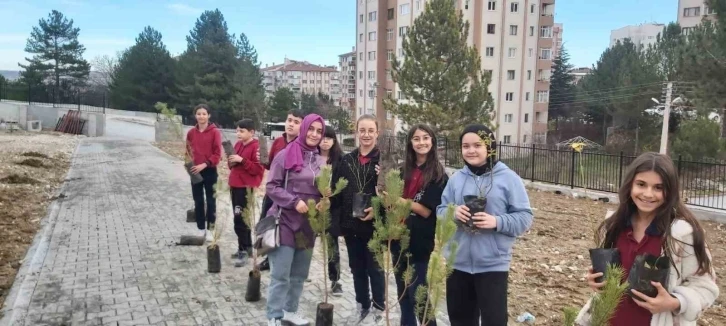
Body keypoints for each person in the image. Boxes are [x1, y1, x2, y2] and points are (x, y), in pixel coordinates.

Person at [578, 152, 719, 326]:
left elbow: (706, 287)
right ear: (630, 185)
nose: (648, 193)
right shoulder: (614, 226)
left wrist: (674, 302)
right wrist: (595, 280)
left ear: (671, 191)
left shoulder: (681, 234)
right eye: (641, 184)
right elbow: (609, 275)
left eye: (658, 188)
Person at [436, 124, 533, 326]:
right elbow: (440, 211)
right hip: (457, 263)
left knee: (494, 321)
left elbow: (524, 217)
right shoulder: (456, 179)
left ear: (490, 147)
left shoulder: (508, 179)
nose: (471, 150)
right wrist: (453, 212)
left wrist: (496, 221)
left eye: (477, 145)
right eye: (465, 146)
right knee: (460, 320)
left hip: (492, 264)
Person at [265, 114, 326, 326]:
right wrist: (293, 201)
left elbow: (324, 191)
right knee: (281, 274)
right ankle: (274, 315)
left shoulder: (321, 161)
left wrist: (324, 203)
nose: (314, 134)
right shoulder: (284, 155)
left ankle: (290, 311)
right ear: (304, 128)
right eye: (312, 129)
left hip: (308, 225)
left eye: (319, 131)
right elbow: (271, 186)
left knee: (299, 274)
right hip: (285, 222)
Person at [390, 124, 448, 326]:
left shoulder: (438, 175)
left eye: (426, 138)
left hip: (419, 241)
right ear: (410, 143)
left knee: (418, 293)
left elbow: (425, 210)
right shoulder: (402, 170)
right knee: (402, 292)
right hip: (397, 237)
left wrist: (399, 201)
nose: (421, 142)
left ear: (432, 141)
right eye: (416, 138)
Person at [332, 114, 385, 324]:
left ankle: (379, 307)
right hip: (351, 224)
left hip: (374, 226)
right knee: (357, 268)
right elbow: (338, 191)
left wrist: (377, 206)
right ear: (356, 132)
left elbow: (391, 194)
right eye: (362, 130)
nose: (366, 135)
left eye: (371, 131)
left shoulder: (382, 161)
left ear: (377, 133)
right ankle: (361, 305)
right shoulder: (346, 160)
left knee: (375, 268)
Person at [258, 109, 304, 271]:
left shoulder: (302, 146)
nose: (291, 124)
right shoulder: (278, 142)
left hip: (290, 196)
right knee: (267, 223)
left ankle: (287, 260)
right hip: (273, 192)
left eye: (296, 122)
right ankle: (267, 255)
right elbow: (270, 165)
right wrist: (261, 159)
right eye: (289, 120)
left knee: (285, 229)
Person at [228, 119, 264, 267]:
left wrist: (242, 160)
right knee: (239, 218)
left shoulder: (256, 147)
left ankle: (243, 250)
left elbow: (257, 169)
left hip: (245, 187)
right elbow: (232, 165)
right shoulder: (237, 145)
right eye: (237, 131)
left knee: (240, 219)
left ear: (251, 132)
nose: (238, 134)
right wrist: (232, 161)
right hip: (235, 185)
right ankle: (246, 247)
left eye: (242, 131)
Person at [186, 104, 222, 242]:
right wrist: (190, 166)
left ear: (209, 115)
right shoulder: (191, 133)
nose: (201, 116)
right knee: (198, 200)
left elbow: (217, 154)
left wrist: (204, 164)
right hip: (195, 171)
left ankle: (211, 229)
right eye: (199, 114)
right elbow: (188, 152)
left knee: (211, 201)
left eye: (204, 114)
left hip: (210, 170)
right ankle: (201, 229)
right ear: (195, 115)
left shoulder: (214, 132)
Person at [319, 127, 345, 296]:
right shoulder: (310, 157)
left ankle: (335, 279)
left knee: (332, 244)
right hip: (312, 206)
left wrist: (332, 195)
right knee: (304, 242)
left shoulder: (340, 160)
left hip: (332, 208)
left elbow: (344, 184)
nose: (325, 141)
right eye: (323, 137)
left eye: (329, 138)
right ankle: (301, 272)